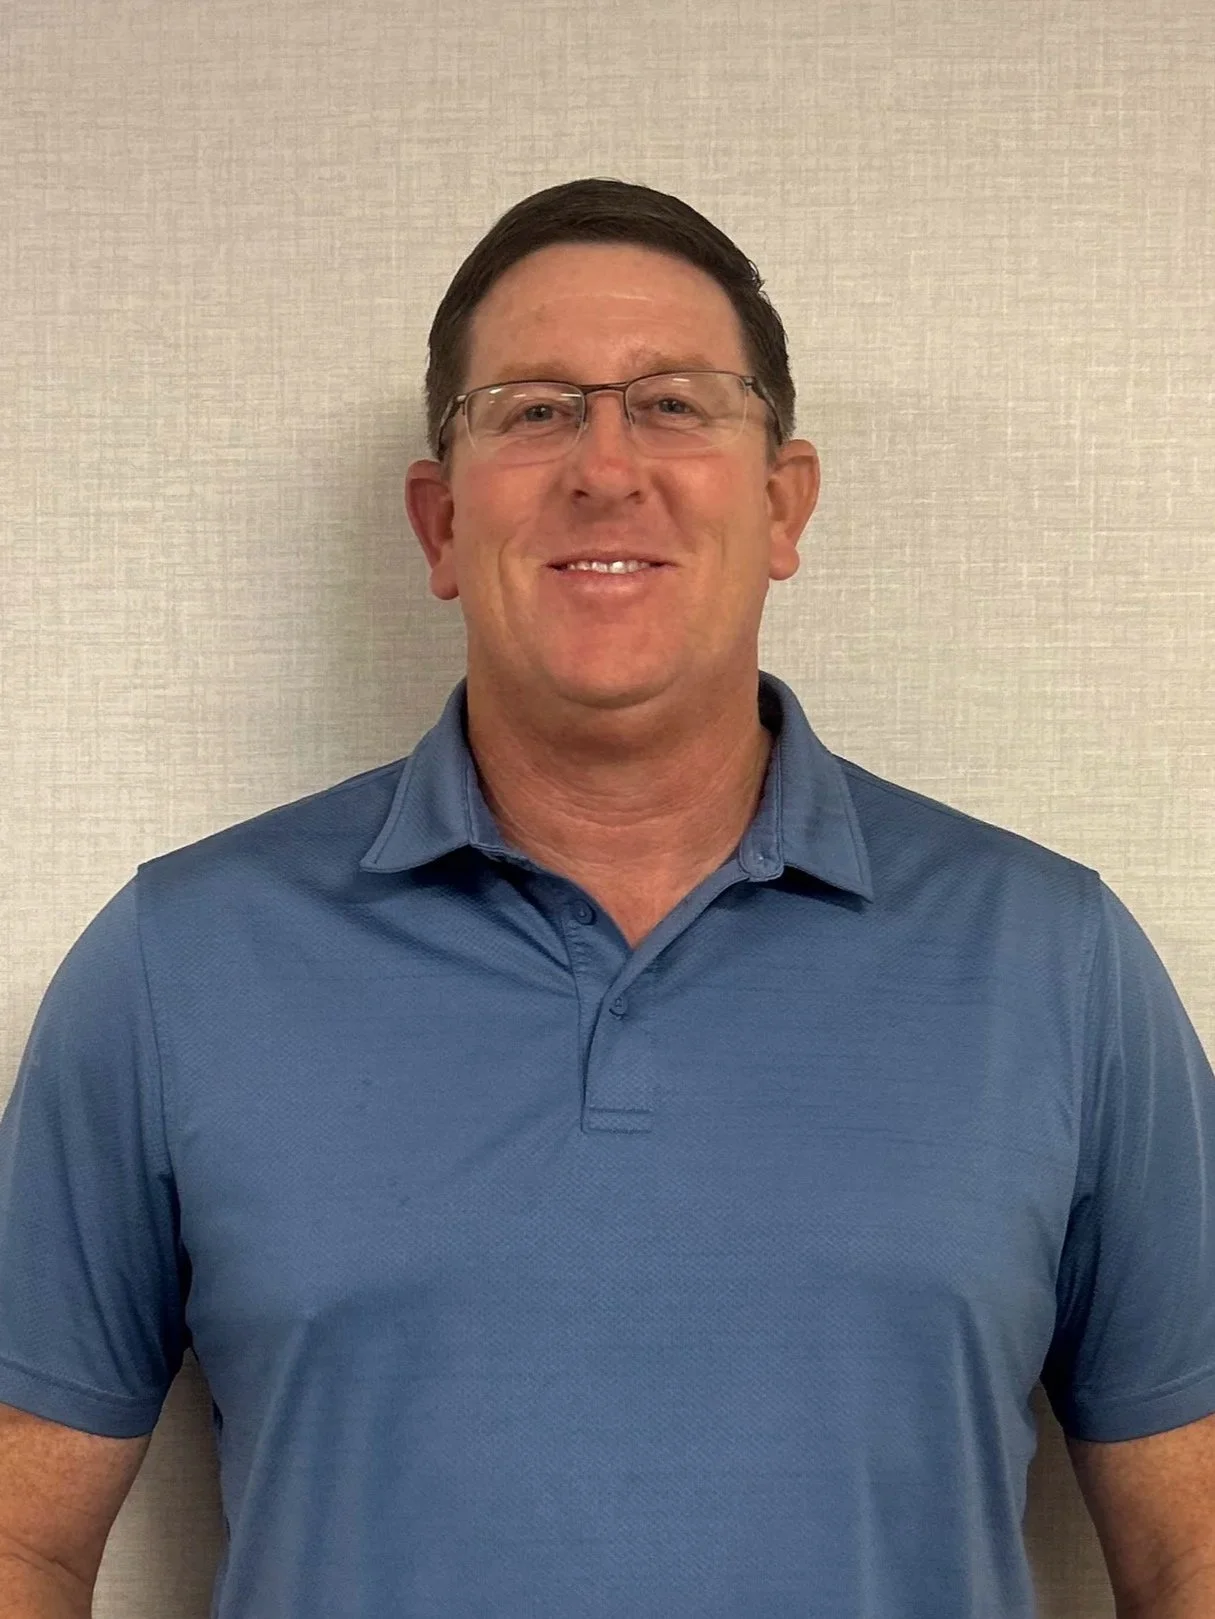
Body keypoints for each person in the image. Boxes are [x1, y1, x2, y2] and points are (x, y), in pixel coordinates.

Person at [1, 178, 1213, 1619]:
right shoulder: (176, 964)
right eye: (532, 409)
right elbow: (22, 1539)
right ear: (440, 524)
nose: (604, 464)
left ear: (781, 501)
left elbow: (1187, 1549)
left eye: (676, 404)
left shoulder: (1055, 962)